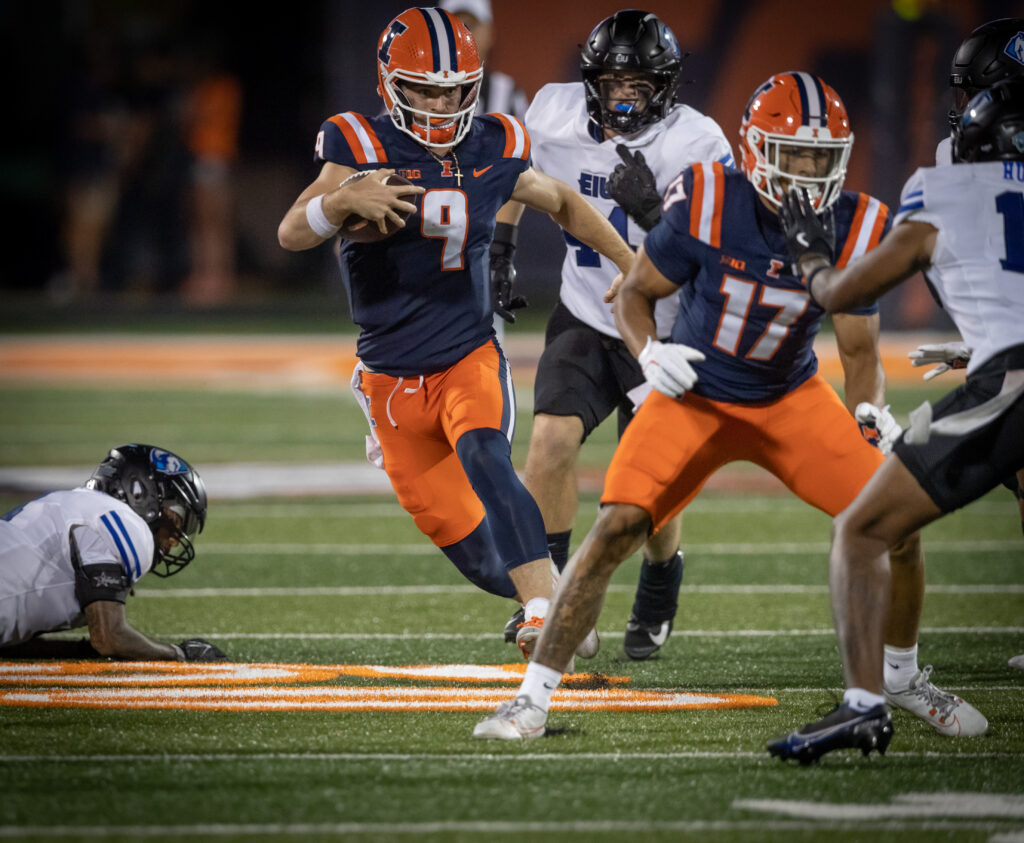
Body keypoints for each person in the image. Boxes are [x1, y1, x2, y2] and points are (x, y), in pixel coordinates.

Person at [473, 71, 986, 740]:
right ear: (753, 151)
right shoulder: (709, 198)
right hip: (698, 394)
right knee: (615, 529)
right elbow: (633, 293)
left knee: (900, 521)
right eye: (791, 154)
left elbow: (859, 352)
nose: (805, 173)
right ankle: (533, 697)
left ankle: (902, 676)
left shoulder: (856, 223)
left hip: (790, 397)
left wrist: (867, 416)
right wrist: (650, 353)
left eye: (819, 158)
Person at [277, 7, 632, 662]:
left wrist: (632, 264)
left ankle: (543, 614)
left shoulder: (492, 141)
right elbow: (292, 231)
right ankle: (561, 597)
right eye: (425, 88)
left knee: (485, 456)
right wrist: (342, 201)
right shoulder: (357, 144)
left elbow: (562, 203)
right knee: (477, 555)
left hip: (465, 353)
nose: (441, 102)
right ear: (392, 84)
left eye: (453, 88)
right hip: (389, 382)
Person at [768, 76, 1024, 762]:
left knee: (861, 529)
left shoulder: (943, 188)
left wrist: (814, 259)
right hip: (1009, 367)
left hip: (1015, 384)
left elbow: (847, 292)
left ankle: (864, 705)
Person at [508, 10, 734, 660]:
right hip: (586, 311)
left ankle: (663, 572)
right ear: (591, 82)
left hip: (665, 327)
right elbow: (509, 170)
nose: (624, 95)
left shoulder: (696, 141)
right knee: (550, 441)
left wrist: (656, 216)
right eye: (612, 82)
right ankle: (545, 598)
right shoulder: (551, 115)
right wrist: (502, 238)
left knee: (647, 493)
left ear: (665, 84)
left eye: (639, 82)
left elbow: (720, 250)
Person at [0, 444, 224, 662]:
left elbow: (14, 639)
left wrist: (82, 651)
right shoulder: (121, 519)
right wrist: (179, 655)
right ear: (141, 494)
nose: (176, 538)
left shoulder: (66, 504)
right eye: (177, 517)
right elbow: (109, 637)